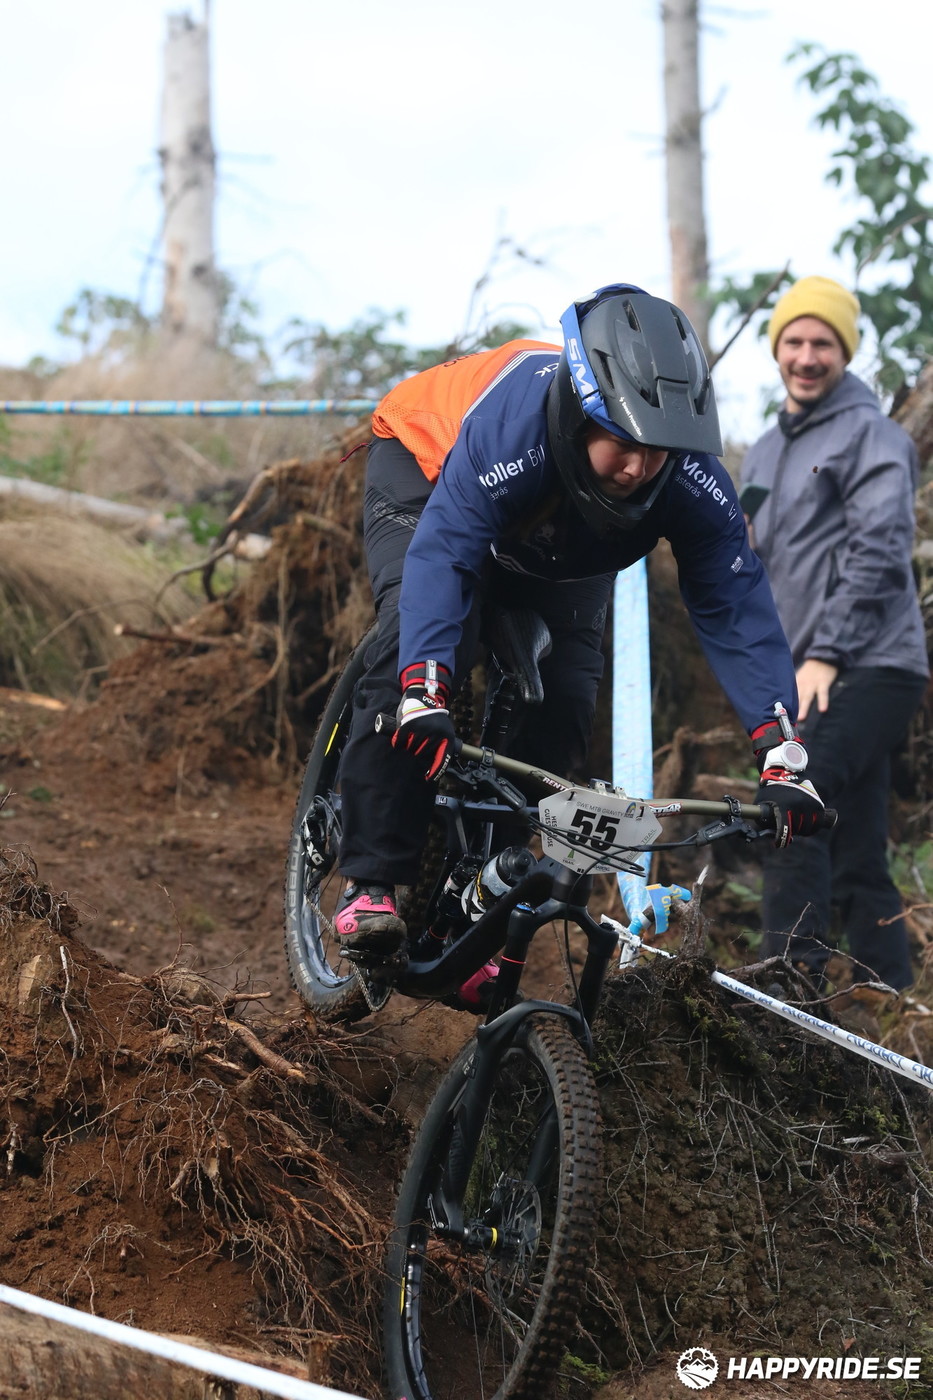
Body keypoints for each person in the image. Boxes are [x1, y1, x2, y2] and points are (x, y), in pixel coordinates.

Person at [334, 281, 825, 1005]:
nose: (637, 468)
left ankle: (476, 900)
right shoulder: (513, 431)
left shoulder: (689, 477)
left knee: (563, 699)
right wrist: (426, 684)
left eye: (657, 452)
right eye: (623, 444)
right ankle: (372, 878)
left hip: (562, 536)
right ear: (582, 413)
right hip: (426, 463)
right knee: (417, 640)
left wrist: (782, 755)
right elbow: (445, 553)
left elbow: (736, 606)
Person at [740, 275, 929, 992]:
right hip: (803, 671)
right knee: (854, 848)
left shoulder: (872, 436)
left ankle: (789, 990)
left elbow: (880, 548)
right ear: (776, 349)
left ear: (845, 351)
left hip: (870, 663)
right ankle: (889, 1001)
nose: (806, 356)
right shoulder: (762, 451)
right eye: (793, 340)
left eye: (823, 342)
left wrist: (825, 652)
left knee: (793, 797)